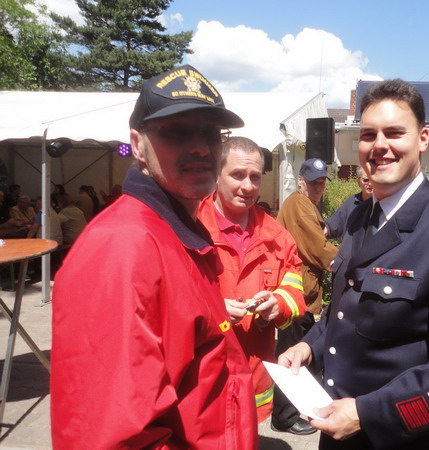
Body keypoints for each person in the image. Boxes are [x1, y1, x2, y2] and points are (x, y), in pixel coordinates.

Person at [278, 79, 429, 449]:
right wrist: (309, 347)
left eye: (394, 133)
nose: (379, 146)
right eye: (368, 134)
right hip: (335, 426)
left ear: (423, 139)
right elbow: (343, 310)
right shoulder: (359, 217)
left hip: (400, 438)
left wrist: (369, 414)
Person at [50, 65, 258, 449]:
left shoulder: (177, 234)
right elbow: (112, 436)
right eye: (176, 132)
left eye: (211, 133)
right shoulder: (122, 248)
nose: (200, 147)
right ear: (138, 144)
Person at [197, 136, 306, 423]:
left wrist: (278, 304)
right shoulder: (188, 229)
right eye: (237, 175)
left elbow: (296, 294)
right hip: (200, 382)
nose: (248, 186)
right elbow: (163, 301)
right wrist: (212, 310)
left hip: (252, 382)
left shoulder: (278, 237)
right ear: (215, 175)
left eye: (255, 177)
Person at [271, 157, 338, 435]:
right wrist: (356, 260)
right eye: (313, 182)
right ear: (300, 181)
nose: (318, 187)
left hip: (302, 296)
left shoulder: (306, 204)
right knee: (291, 357)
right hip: (295, 296)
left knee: (299, 354)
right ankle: (284, 418)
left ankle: (292, 411)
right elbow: (318, 249)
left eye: (322, 183)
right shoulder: (299, 204)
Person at [324, 166, 373, 239]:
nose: (370, 184)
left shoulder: (384, 204)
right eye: (366, 180)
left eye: (373, 180)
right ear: (358, 182)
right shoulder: (351, 201)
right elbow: (332, 226)